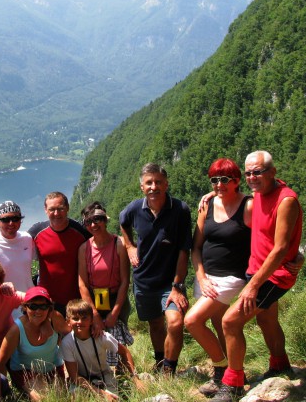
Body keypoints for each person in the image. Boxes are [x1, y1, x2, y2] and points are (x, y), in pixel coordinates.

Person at [211, 151, 303, 402]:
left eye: (258, 171)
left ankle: (234, 383)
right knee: (267, 321)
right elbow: (236, 196)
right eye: (249, 172)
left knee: (230, 321)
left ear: (272, 172)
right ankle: (280, 365)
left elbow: (281, 248)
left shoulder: (286, 200)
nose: (252, 177)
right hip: (258, 271)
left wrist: (253, 286)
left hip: (275, 275)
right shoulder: (260, 194)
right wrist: (212, 194)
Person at [183, 158, 252, 395]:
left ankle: (222, 369)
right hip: (207, 276)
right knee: (217, 323)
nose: (219, 185)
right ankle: (234, 377)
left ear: (236, 181)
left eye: (225, 180)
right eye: (214, 180)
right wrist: (201, 277)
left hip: (232, 277)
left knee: (192, 321)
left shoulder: (249, 206)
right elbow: (196, 247)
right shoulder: (207, 206)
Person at [119, 163, 192, 375]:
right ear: (142, 186)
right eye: (149, 183)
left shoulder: (180, 210)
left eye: (158, 182)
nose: (153, 187)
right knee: (155, 325)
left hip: (170, 283)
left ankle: (169, 367)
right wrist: (129, 245)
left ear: (166, 184)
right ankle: (160, 362)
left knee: (176, 322)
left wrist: (177, 286)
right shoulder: (134, 209)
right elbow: (123, 223)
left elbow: (183, 250)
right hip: (144, 281)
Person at [78, 202, 133, 365]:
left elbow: (125, 281)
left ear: (105, 219)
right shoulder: (84, 249)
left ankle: (126, 375)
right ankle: (101, 373)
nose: (94, 225)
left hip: (117, 299)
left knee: (118, 339)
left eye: (98, 219)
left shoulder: (119, 244)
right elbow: (82, 284)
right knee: (96, 337)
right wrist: (94, 314)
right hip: (94, 301)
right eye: (89, 222)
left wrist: (115, 312)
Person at [61, 299, 145, 400]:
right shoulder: (66, 342)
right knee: (75, 397)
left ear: (92, 320)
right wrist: (100, 393)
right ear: (68, 321)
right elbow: (74, 377)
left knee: (112, 399)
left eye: (84, 318)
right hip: (81, 379)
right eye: (75, 318)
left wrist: (135, 377)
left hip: (104, 376)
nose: (80, 322)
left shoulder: (102, 337)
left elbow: (124, 352)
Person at [0, 286, 66, 401]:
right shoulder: (17, 329)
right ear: (25, 307)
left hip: (53, 367)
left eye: (43, 306)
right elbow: (0, 361)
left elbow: (72, 336)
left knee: (61, 396)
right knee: (43, 398)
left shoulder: (56, 318)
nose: (38, 311)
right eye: (33, 306)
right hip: (26, 371)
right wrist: (3, 392)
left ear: (49, 308)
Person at [28, 192, 91, 314]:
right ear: (45, 210)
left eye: (60, 209)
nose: (56, 214)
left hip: (76, 300)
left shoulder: (80, 232)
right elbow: (16, 247)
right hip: (46, 300)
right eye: (52, 209)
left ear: (67, 208)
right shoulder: (36, 232)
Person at [0, 201, 36, 319]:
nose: (11, 223)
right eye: (5, 219)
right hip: (6, 309)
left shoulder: (27, 239)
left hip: (30, 302)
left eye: (15, 218)